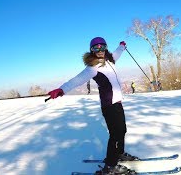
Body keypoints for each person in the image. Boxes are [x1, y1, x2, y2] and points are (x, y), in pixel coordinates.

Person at [47, 37, 139, 174]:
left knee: (122, 130)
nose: (100, 50)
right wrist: (62, 89)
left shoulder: (110, 59)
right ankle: (110, 166)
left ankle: (119, 153)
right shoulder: (92, 68)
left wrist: (122, 46)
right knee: (116, 134)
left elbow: (118, 52)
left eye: (102, 47)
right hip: (109, 105)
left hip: (118, 102)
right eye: (96, 48)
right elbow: (76, 80)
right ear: (92, 50)